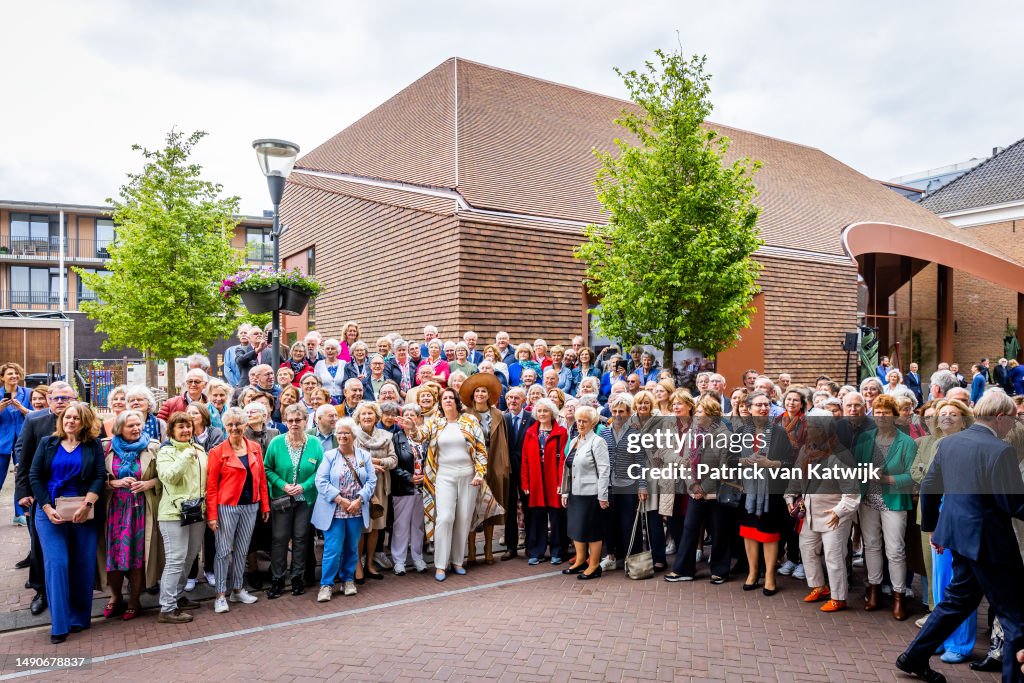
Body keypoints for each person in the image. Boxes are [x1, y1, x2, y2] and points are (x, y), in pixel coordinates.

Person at [897, 391, 1024, 683]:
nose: (1013, 426)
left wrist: (932, 527)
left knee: (957, 602)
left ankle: (913, 657)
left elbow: (929, 486)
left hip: (958, 536)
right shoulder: (1000, 450)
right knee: (1015, 615)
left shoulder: (950, 442)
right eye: (1013, 420)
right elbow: (1013, 503)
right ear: (1001, 417)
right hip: (990, 544)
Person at [28, 401, 104, 644]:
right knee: (57, 564)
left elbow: (99, 476)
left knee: (82, 564)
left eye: (76, 418)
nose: (70, 421)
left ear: (84, 422)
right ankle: (59, 625)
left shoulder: (93, 445)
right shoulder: (47, 443)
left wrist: (88, 504)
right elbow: (35, 476)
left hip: (83, 511)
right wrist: (47, 508)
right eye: (67, 417)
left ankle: (79, 618)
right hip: (50, 512)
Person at [397, 387, 489, 581]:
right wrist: (412, 427)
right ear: (441, 403)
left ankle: (457, 561)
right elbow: (419, 437)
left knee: (463, 519)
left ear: (457, 402)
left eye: (451, 397)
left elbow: (481, 449)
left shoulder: (470, 421)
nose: (447, 400)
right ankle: (440, 565)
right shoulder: (435, 423)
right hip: (443, 476)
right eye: (444, 398)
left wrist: (480, 473)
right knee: (445, 518)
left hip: (468, 476)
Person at [783, 411, 860, 612]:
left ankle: (839, 597)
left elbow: (851, 490)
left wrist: (840, 512)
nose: (812, 431)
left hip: (833, 514)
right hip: (809, 511)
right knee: (807, 550)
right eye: (811, 427)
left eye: (817, 427)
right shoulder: (806, 450)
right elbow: (795, 477)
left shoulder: (841, 454)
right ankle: (819, 587)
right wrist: (790, 497)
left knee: (834, 557)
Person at [14, 380, 78, 617]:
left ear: (74, 399)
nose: (60, 402)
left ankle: (68, 591)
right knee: (40, 546)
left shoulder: (83, 417)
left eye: (66, 397)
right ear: (48, 398)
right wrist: (23, 493)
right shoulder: (34, 420)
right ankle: (41, 591)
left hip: (74, 494)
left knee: (72, 545)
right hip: (40, 493)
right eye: (56, 397)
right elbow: (23, 456)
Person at [854, 394, 917, 620]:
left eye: (886, 412)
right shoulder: (865, 438)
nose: (881, 416)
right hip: (867, 500)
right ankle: (874, 590)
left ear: (894, 415)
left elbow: (913, 475)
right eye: (877, 412)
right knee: (870, 546)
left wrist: (887, 479)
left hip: (894, 500)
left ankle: (898, 596)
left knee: (896, 549)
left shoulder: (906, 442)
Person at [99, 409, 162, 622]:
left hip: (141, 509)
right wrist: (112, 482)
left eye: (138, 425)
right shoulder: (106, 447)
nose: (136, 429)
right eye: (130, 425)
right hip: (114, 509)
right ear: (119, 428)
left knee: (138, 555)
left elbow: (163, 478)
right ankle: (116, 596)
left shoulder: (153, 447)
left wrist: (149, 483)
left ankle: (135, 599)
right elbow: (94, 476)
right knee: (113, 556)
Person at [666, 396, 736, 584]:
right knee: (689, 529)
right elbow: (688, 463)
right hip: (695, 491)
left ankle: (720, 571)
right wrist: (693, 486)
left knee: (719, 530)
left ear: (711, 414)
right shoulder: (692, 433)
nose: (695, 415)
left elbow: (723, 468)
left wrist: (703, 487)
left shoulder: (725, 435)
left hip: (716, 492)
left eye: (699, 412)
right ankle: (683, 570)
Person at [206, 406, 270, 613]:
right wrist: (212, 515)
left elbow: (261, 479)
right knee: (223, 551)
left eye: (238, 424)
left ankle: (238, 589)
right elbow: (211, 486)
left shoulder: (254, 447)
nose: (235, 428)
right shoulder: (217, 452)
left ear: (245, 425)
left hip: (250, 505)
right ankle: (220, 594)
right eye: (230, 424)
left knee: (242, 550)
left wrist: (264, 505)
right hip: (227, 507)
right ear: (224, 426)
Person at [737, 391, 795, 596]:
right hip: (748, 491)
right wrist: (744, 462)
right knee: (749, 533)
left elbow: (791, 461)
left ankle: (770, 576)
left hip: (772, 492)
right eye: (759, 405)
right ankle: (752, 574)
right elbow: (729, 460)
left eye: (766, 405)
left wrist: (770, 464)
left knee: (770, 534)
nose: (763, 408)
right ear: (749, 408)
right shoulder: (741, 432)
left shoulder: (779, 433)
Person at [312, 417, 376, 601]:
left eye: (346, 433)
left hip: (356, 509)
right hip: (335, 510)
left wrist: (359, 500)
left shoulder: (364, 456)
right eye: (339, 433)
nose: (342, 436)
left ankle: (348, 580)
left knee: (352, 547)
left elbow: (372, 481)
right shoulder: (330, 456)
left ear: (353, 435)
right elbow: (320, 481)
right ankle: (326, 584)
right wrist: (340, 499)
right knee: (332, 548)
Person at [264, 403, 324, 598]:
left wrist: (304, 486)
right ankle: (277, 580)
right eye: (290, 420)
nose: (294, 424)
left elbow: (320, 471)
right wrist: (282, 485)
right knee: (280, 539)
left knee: (301, 538)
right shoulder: (276, 443)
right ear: (284, 422)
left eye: (298, 420)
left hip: (305, 500)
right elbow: (267, 469)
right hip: (282, 498)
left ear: (305, 421)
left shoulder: (314, 443)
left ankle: (297, 577)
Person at [155, 412, 206, 624]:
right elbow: (168, 477)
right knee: (175, 559)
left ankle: (177, 597)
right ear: (172, 431)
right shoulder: (166, 451)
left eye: (188, 426)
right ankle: (167, 608)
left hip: (197, 511)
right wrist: (185, 456)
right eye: (180, 427)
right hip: (173, 513)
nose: (186, 430)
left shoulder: (200, 450)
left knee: (189, 557)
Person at [461, 372, 510, 566]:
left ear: (489, 395)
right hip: (472, 465)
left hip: (493, 464)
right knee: (472, 508)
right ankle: (471, 551)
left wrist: (504, 467)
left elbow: (504, 443)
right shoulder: (465, 415)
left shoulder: (498, 415)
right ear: (472, 395)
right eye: (477, 391)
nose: (480, 394)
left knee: (491, 508)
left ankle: (488, 550)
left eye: (484, 391)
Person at [559, 405, 610, 579]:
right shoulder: (574, 441)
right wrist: (565, 492)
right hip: (575, 492)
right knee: (576, 529)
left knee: (592, 530)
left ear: (593, 423)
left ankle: (594, 565)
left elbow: (604, 470)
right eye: (578, 420)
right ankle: (580, 561)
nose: (580, 424)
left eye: (584, 421)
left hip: (592, 494)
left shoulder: (597, 441)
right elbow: (568, 468)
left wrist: (603, 496)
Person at [352, 401, 397, 582]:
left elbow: (393, 460)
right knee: (361, 528)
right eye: (364, 414)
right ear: (358, 417)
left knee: (376, 527)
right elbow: (351, 459)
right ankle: (358, 565)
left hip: (381, 485)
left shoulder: (387, 436)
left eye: (370, 414)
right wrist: (370, 464)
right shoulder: (353, 436)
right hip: (360, 486)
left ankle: (370, 563)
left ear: (376, 417)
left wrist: (380, 463)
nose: (367, 417)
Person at [521, 398, 568, 565]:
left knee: (556, 518)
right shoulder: (530, 432)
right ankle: (537, 551)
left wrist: (561, 483)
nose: (542, 414)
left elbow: (563, 459)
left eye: (545, 411)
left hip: (553, 480)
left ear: (552, 413)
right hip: (535, 482)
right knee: (537, 518)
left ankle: (557, 551)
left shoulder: (561, 432)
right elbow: (525, 459)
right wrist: (525, 483)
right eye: (539, 411)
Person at [599, 393, 643, 572]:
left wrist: (642, 485)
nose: (617, 414)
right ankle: (611, 555)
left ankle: (630, 558)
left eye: (621, 411)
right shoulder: (604, 432)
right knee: (610, 523)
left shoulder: (635, 433)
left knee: (628, 524)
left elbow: (640, 461)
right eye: (615, 411)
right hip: (609, 486)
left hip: (628, 486)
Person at [391, 404, 427, 574]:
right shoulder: (395, 438)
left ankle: (418, 557)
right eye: (405, 415)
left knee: (418, 525)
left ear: (419, 419)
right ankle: (399, 560)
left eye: (412, 415)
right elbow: (394, 465)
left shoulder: (424, 438)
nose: (409, 418)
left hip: (423, 487)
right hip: (404, 487)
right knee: (401, 524)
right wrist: (409, 477)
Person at [502, 387, 532, 560]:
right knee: (509, 509)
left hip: (526, 471)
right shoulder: (502, 418)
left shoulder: (532, 419)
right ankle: (511, 547)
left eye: (516, 398)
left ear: (523, 401)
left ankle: (530, 545)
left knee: (529, 508)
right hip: (508, 471)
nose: (512, 401)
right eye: (510, 398)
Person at [0, 362, 32, 525]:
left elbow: (38, 415)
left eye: (16, 373)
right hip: (2, 442)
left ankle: (19, 514)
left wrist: (22, 408)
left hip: (23, 441)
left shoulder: (28, 394)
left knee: (21, 476)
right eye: (10, 374)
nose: (14, 376)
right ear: (2, 377)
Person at [313, 338, 346, 403]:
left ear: (337, 351)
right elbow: (316, 383)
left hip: (341, 399)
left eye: (332, 349)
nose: (330, 351)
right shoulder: (319, 364)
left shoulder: (344, 364)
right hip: (324, 399)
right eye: (327, 349)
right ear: (325, 351)